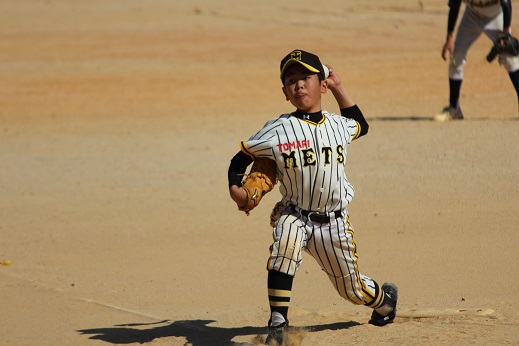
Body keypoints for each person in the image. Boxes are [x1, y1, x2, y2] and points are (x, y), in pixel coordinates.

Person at [227, 49, 398, 345]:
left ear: (322, 85)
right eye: (291, 80)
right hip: (294, 213)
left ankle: (385, 301)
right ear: (284, 92)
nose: (299, 85)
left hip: (333, 223)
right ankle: (278, 324)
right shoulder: (277, 130)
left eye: (306, 77)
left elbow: (361, 124)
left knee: (352, 290)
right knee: (284, 246)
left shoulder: (337, 125)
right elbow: (240, 159)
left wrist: (340, 87)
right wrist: (237, 190)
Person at [440, 0, 519, 119]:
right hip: (472, 15)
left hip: (495, 16)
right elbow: (454, 6)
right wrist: (449, 38)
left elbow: (506, 3)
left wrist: (505, 33)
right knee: (456, 56)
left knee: (509, 59)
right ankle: (454, 108)